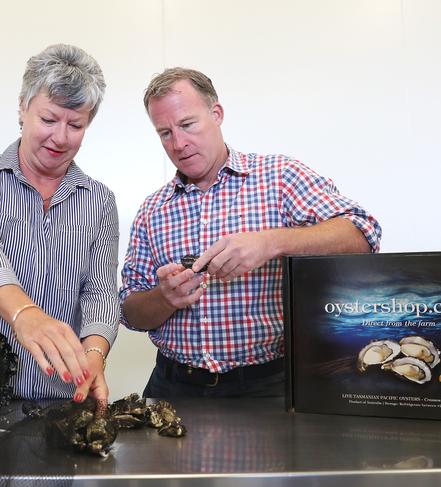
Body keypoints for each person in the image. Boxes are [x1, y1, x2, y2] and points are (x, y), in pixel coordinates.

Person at [119, 67, 382, 398]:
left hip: (268, 387)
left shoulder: (279, 177)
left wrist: (272, 241)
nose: (179, 143)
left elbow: (363, 232)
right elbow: (130, 312)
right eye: (165, 133)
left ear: (216, 114)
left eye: (187, 124)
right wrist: (164, 297)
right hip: (173, 387)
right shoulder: (151, 209)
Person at [0, 44, 119, 403]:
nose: (60, 137)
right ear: (23, 108)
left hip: (56, 396)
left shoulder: (99, 200)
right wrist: (26, 314)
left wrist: (95, 355)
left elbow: (100, 292)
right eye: (48, 119)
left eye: (75, 125)